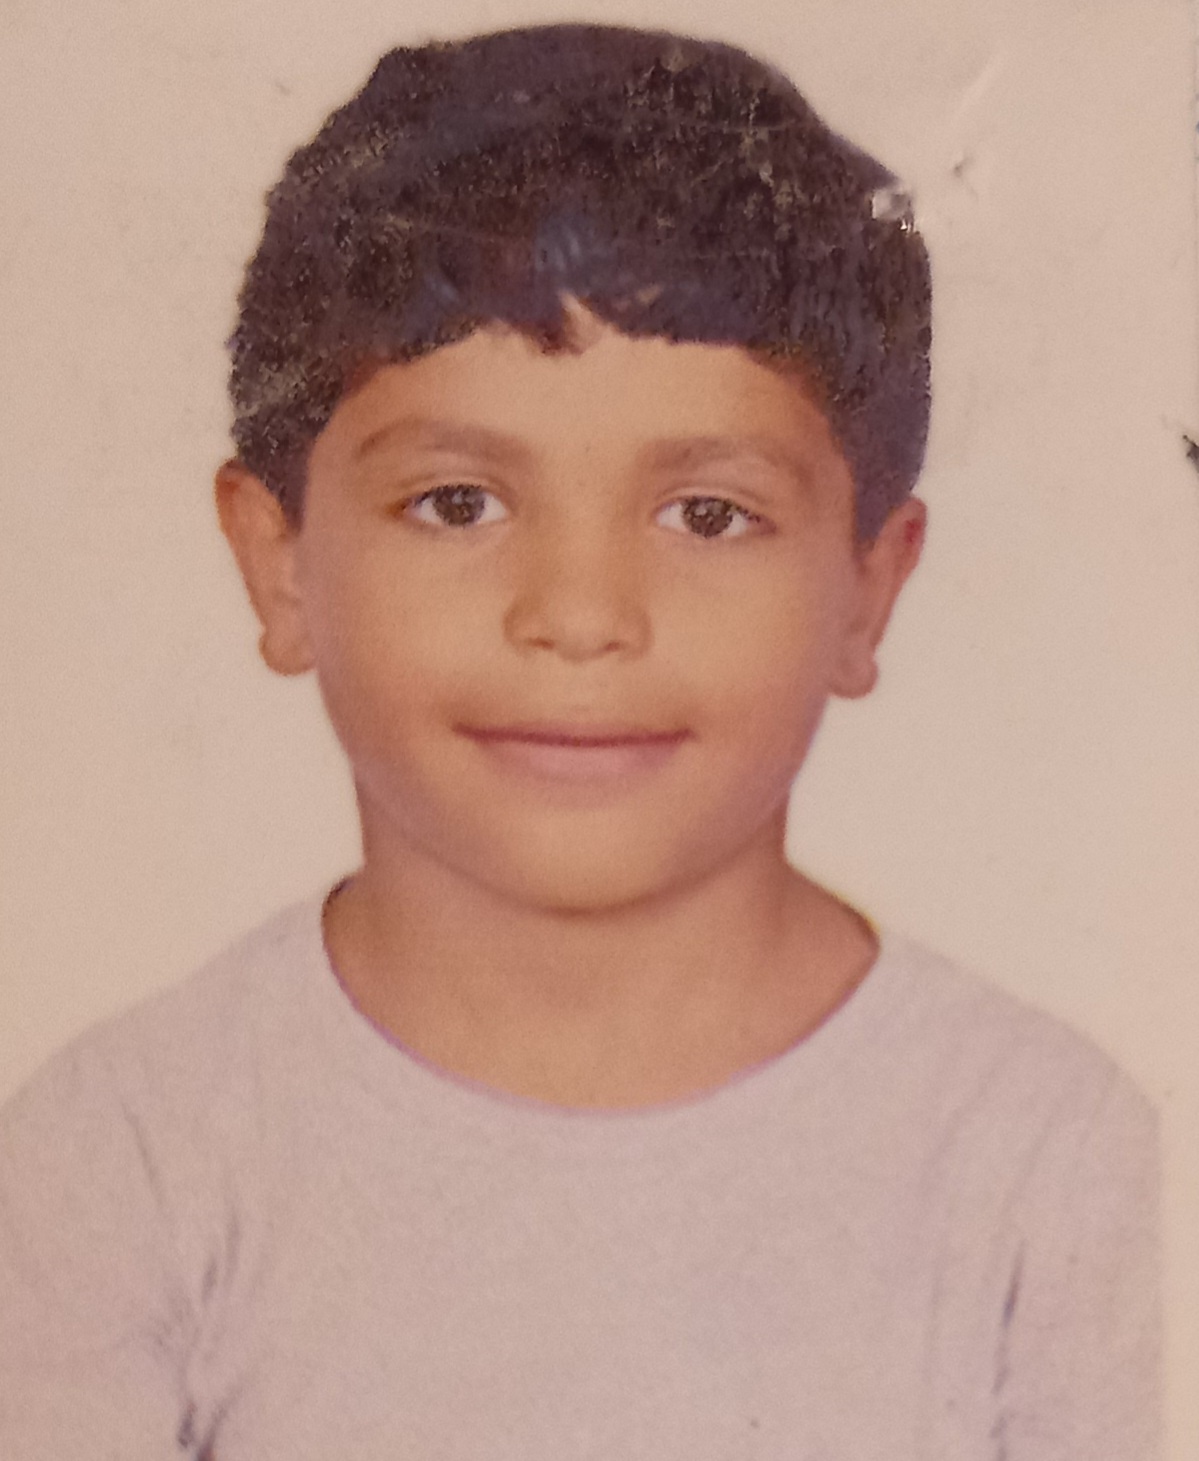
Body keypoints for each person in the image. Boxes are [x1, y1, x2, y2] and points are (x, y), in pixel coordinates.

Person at [0, 23, 1158, 1460]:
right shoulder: (123, 1162)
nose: (581, 616)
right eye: (458, 503)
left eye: (708, 514)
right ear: (277, 563)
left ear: (869, 588)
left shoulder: (1057, 1166)